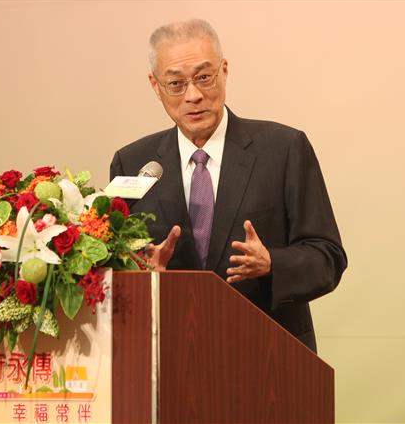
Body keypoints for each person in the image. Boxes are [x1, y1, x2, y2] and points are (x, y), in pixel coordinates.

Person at [110, 19, 347, 353]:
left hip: (269, 356)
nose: (193, 95)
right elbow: (112, 270)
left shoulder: (283, 150)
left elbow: (328, 258)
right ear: (155, 85)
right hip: (172, 353)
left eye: (204, 77)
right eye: (176, 83)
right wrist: (139, 274)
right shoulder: (133, 162)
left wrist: (271, 263)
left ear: (224, 70)